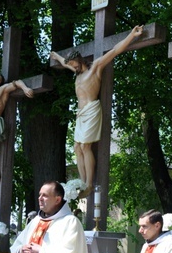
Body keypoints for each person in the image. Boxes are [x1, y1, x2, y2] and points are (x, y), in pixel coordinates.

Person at [50, 25, 144, 197]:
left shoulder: (95, 68)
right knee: (77, 147)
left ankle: (89, 184)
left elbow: (115, 50)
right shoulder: (77, 72)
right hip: (80, 114)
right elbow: (64, 63)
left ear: (79, 60)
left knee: (86, 146)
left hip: (92, 109)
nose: (72, 67)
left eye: (73, 64)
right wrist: (56, 56)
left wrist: (132, 34)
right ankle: (81, 180)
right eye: (70, 65)